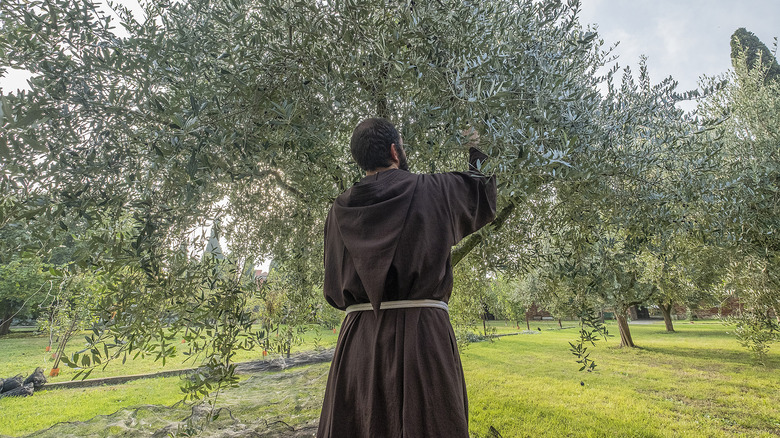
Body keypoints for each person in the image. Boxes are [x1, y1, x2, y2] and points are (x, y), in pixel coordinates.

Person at [317, 118, 497, 437]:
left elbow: (333, 288)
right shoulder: (434, 190)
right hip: (424, 338)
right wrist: (473, 139)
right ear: (394, 151)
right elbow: (483, 190)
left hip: (359, 344)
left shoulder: (338, 209)